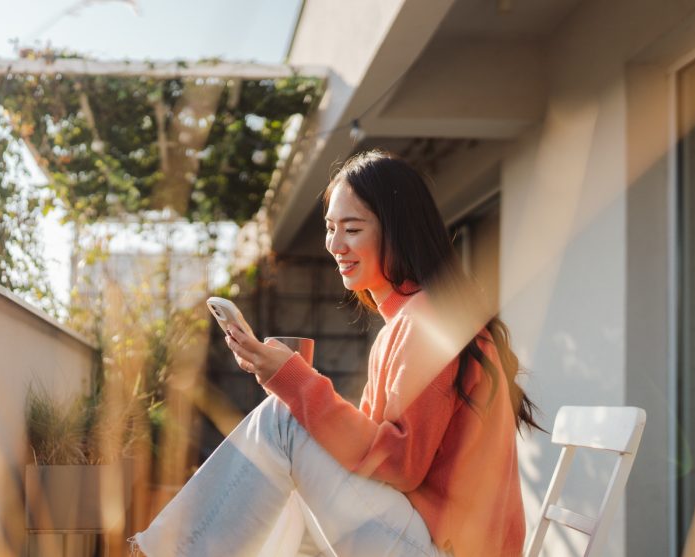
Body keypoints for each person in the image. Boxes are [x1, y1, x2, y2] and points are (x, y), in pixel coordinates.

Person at [131, 150, 540, 557]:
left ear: (397, 231)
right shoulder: (415, 319)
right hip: (428, 536)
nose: (335, 244)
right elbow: (374, 448)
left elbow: (399, 464)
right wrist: (292, 384)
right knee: (290, 436)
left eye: (352, 229)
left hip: (447, 548)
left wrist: (296, 384)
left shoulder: (428, 322)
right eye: (330, 228)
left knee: (283, 420)